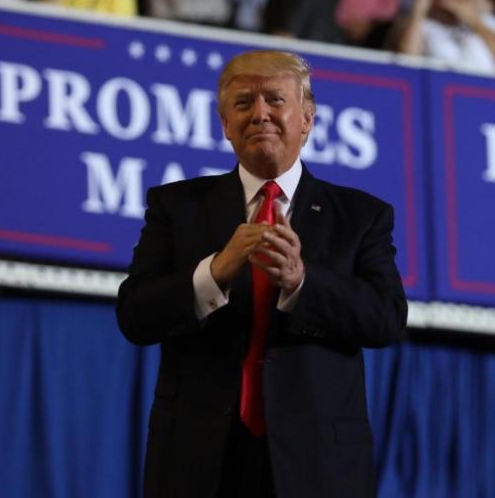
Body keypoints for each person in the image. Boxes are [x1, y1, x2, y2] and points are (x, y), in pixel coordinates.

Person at [117, 50, 407, 498]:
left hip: (317, 465)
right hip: (198, 459)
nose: (260, 114)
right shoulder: (176, 207)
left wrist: (301, 281)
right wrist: (213, 274)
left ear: (307, 118)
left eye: (275, 99)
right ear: (225, 125)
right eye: (243, 103)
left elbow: (386, 319)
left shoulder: (360, 217)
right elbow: (134, 316)